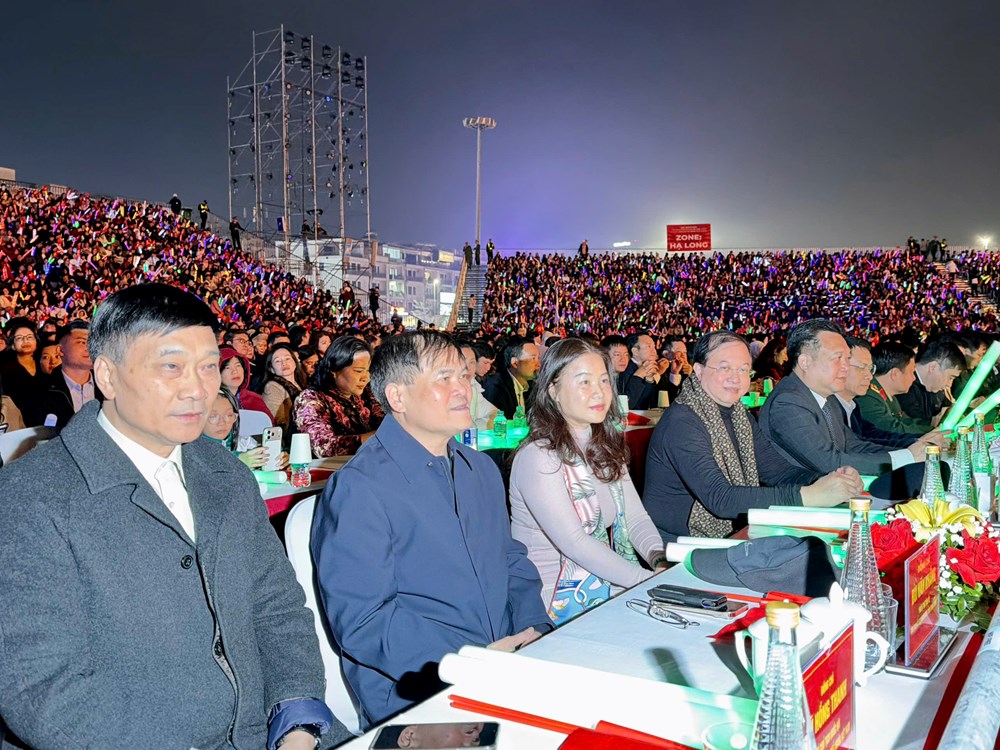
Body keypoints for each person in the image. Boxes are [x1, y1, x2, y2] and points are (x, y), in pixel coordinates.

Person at [0, 283, 338, 749]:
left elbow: (276, 606)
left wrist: (296, 719)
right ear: (107, 376)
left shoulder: (226, 474)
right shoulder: (30, 496)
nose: (199, 389)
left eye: (208, 367)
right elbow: (42, 689)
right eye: (171, 367)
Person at [311, 330, 551, 729]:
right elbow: (365, 622)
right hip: (419, 692)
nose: (464, 388)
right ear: (397, 397)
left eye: (464, 375)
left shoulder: (480, 469)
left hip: (503, 668)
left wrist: (536, 630)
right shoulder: (360, 488)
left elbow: (510, 561)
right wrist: (472, 662)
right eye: (444, 378)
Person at [643, 331, 860, 541]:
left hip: (731, 533)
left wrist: (831, 479)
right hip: (678, 544)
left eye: (743, 369)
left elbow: (778, 472)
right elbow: (721, 499)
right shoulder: (682, 421)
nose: (735, 378)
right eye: (724, 368)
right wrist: (810, 495)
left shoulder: (740, 415)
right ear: (698, 371)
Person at [509, 339, 666, 622]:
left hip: (603, 586)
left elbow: (635, 518)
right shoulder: (539, 456)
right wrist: (645, 581)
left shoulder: (603, 445)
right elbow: (575, 543)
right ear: (553, 390)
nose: (599, 392)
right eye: (584, 382)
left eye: (604, 381)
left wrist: (659, 559)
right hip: (553, 604)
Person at [759, 319, 930, 476]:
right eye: (837, 358)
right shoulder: (788, 402)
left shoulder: (827, 399)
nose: (845, 367)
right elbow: (830, 462)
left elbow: (853, 445)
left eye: (847, 359)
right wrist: (907, 458)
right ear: (805, 362)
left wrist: (910, 452)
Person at [294, 335, 384, 456]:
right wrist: (380, 436)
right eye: (358, 371)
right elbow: (324, 447)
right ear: (334, 370)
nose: (366, 378)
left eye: (368, 371)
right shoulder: (311, 399)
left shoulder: (367, 393)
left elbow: (384, 420)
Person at [834, 337, 919, 448]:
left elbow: (874, 437)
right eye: (862, 367)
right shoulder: (825, 411)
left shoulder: (853, 407)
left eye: (870, 369)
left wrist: (919, 441)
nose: (870, 376)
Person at [856, 341, 932, 435]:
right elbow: (892, 429)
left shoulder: (888, 395)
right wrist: (934, 431)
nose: (914, 378)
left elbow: (905, 421)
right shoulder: (868, 397)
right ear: (895, 374)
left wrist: (932, 424)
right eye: (911, 372)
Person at [203, 388, 288, 470]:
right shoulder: (195, 450)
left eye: (229, 415)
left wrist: (280, 458)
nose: (222, 422)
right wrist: (236, 462)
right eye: (213, 416)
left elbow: (263, 455)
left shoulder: (244, 444)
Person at [39, 321, 103, 430]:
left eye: (93, 343)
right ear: (60, 350)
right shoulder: (40, 391)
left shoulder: (109, 386)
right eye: (82, 342)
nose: (90, 348)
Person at [898, 338, 965, 425]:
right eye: (950, 377)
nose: (949, 383)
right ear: (933, 367)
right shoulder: (903, 388)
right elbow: (915, 427)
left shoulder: (936, 388)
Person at [482, 336, 540, 419]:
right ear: (515, 363)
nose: (538, 364)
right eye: (533, 358)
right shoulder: (495, 388)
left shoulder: (531, 386)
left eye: (538, 358)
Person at [261, 342, 306, 437]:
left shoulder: (300, 383)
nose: (284, 363)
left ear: (295, 362)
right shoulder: (272, 387)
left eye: (287, 358)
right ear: (271, 369)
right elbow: (276, 422)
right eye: (277, 361)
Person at [619, 332, 669, 410]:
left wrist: (652, 378)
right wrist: (638, 377)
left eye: (654, 347)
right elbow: (629, 405)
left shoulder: (654, 367)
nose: (654, 351)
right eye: (649, 346)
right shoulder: (625, 370)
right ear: (635, 351)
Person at [460, 342, 498, 431]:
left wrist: (476, 427)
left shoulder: (473, 385)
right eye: (462, 361)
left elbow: (495, 412)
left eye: (472, 362)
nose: (468, 368)